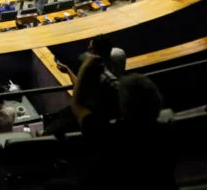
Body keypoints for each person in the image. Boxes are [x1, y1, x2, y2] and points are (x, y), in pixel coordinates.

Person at [69, 57, 176, 190]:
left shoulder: (109, 134)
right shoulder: (169, 132)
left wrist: (84, 68)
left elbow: (77, 105)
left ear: (124, 106)